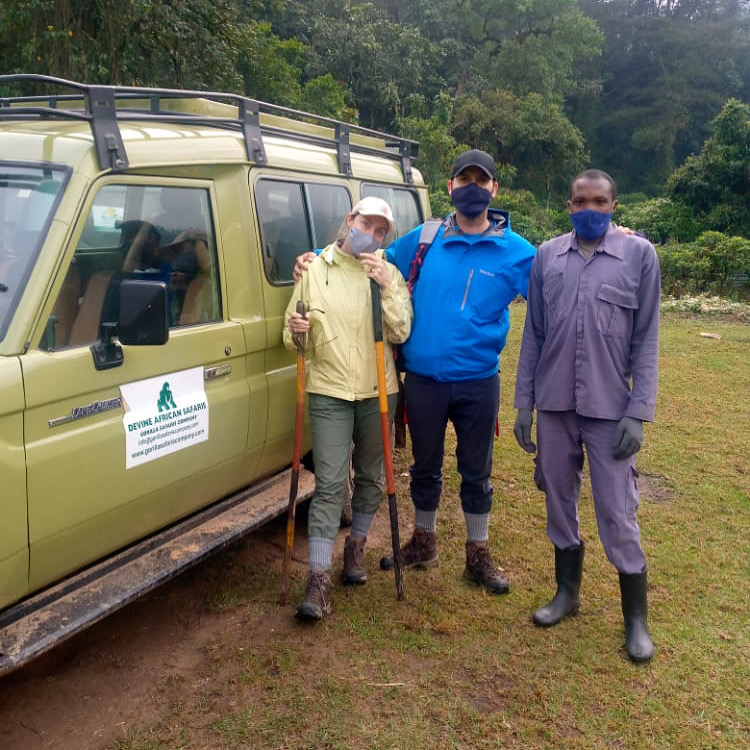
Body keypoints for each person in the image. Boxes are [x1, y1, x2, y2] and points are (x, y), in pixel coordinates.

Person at [512, 169, 660, 662]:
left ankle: (635, 620)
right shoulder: (547, 256)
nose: (589, 209)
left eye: (599, 201)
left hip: (609, 408)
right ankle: (567, 594)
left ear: (614, 205)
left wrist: (638, 412)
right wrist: (522, 403)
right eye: (580, 201)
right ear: (568, 204)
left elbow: (647, 339)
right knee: (558, 499)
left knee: (617, 511)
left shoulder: (639, 256)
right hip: (554, 404)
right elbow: (533, 334)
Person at [284, 197, 412, 621]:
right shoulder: (313, 270)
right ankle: (318, 577)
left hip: (379, 392)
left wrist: (388, 289)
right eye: (365, 224)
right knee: (331, 484)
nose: (370, 235)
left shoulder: (387, 273)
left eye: (380, 231)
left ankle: (355, 548)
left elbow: (400, 331)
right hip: (328, 391)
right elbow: (292, 338)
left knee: (374, 476)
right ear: (349, 220)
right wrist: (295, 330)